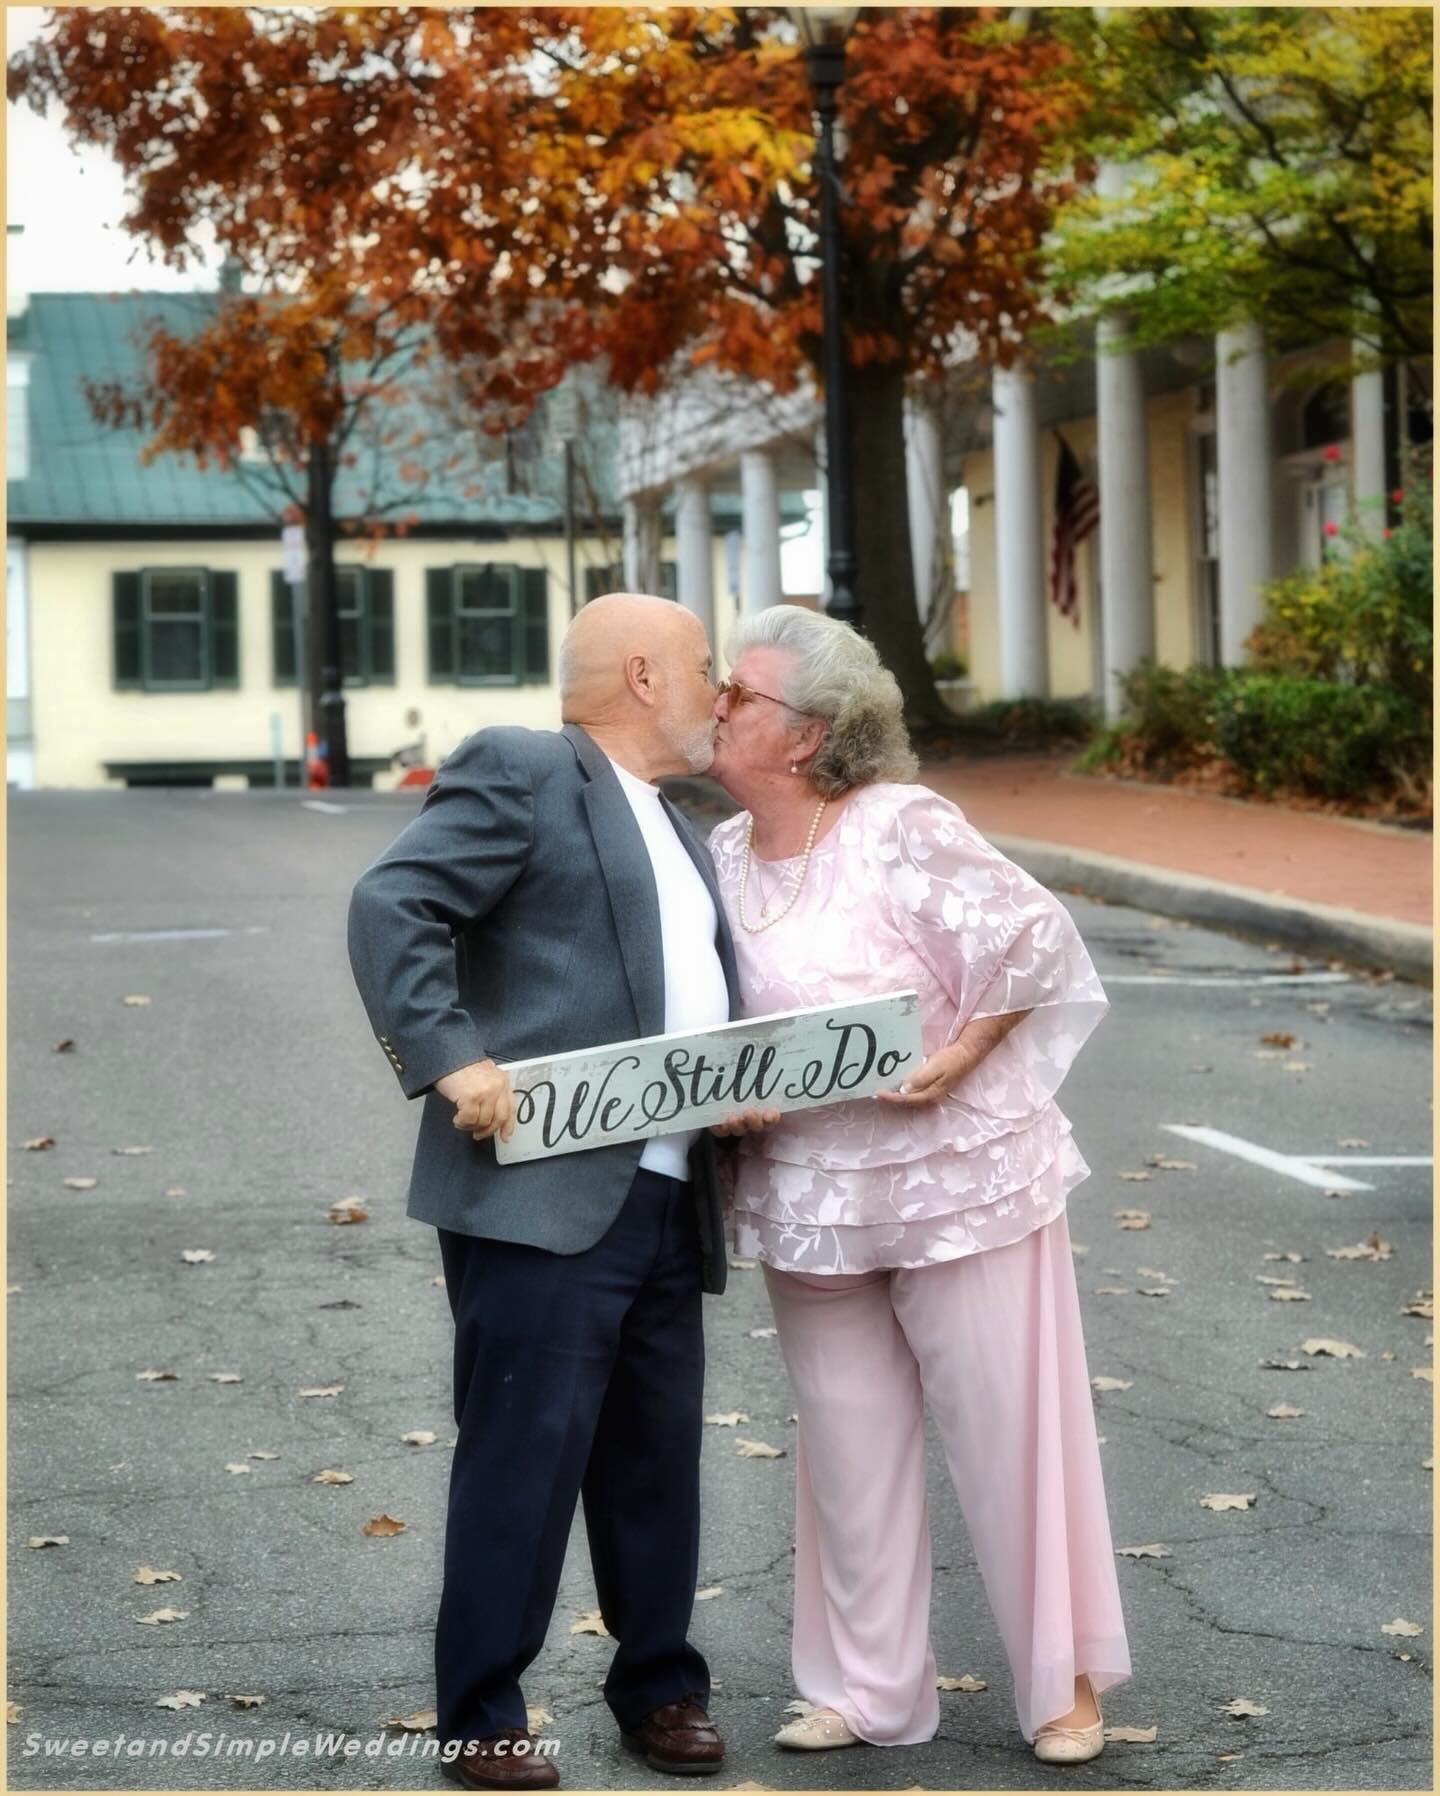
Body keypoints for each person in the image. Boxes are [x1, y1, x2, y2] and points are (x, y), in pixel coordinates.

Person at [704, 605, 1133, 1768]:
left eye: (737, 691)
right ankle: (866, 1687)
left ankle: (1064, 1683)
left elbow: (1030, 940)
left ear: (807, 735)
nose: (716, 703)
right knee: (846, 1443)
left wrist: (959, 1054)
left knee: (1011, 1432)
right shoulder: (724, 854)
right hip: (809, 1190)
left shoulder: (896, 823)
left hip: (957, 1175)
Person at [349, 594, 760, 1790]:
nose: (718, 688)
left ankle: (660, 1689)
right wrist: (448, 1053)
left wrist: (733, 1080)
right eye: (701, 667)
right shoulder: (527, 769)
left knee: (654, 1462)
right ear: (641, 675)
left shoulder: (683, 827)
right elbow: (394, 903)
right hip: (537, 1190)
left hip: (670, 1186)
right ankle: (481, 1711)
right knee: (521, 1459)